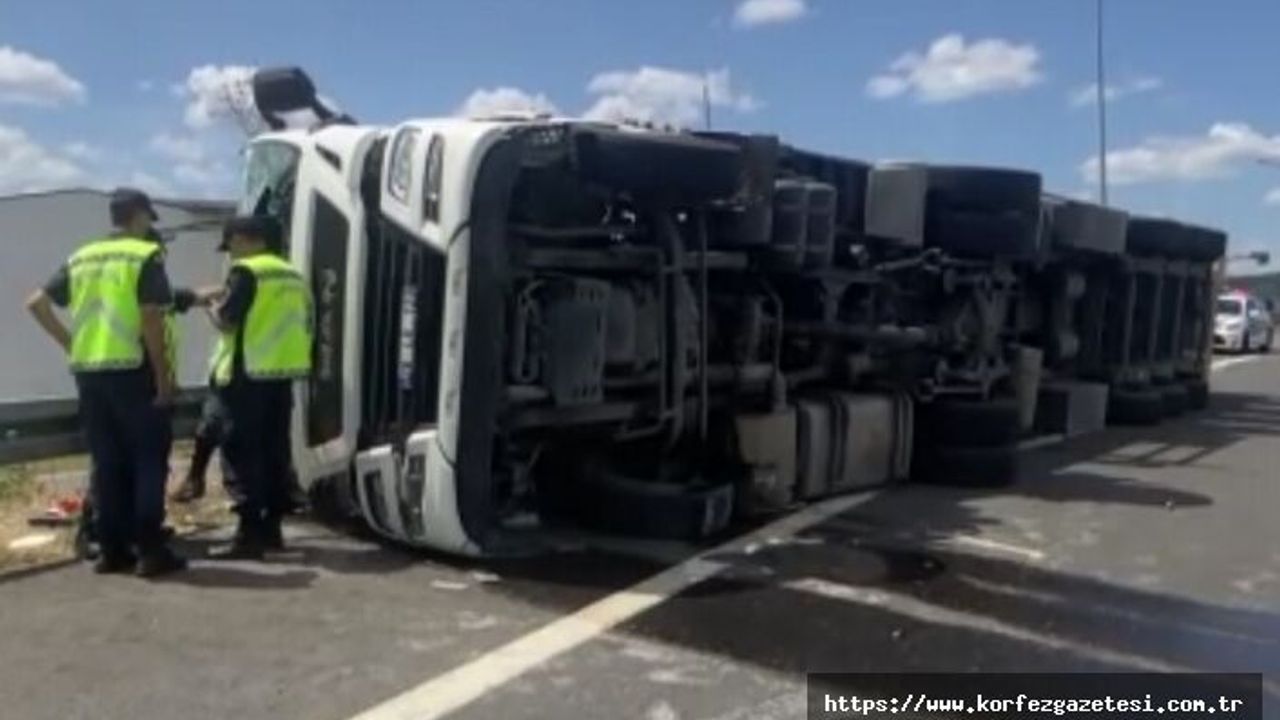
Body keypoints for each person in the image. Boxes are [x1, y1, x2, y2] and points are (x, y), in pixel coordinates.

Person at [26, 188, 186, 577]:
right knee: (148, 459)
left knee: (107, 463)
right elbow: (150, 319)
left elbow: (36, 303)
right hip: (134, 371)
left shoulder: (81, 257)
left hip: (90, 374)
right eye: (148, 217)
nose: (150, 225)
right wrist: (164, 382)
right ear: (138, 216)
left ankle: (111, 551)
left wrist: (72, 345)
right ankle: (150, 549)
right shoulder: (144, 256)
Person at [206, 215, 313, 558]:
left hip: (246, 375)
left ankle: (248, 534)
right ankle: (271, 532)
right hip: (281, 375)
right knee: (273, 453)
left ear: (242, 238)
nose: (231, 254)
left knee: (239, 452)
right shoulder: (294, 274)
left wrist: (209, 307)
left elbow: (227, 320)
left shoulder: (247, 272)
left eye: (231, 245)